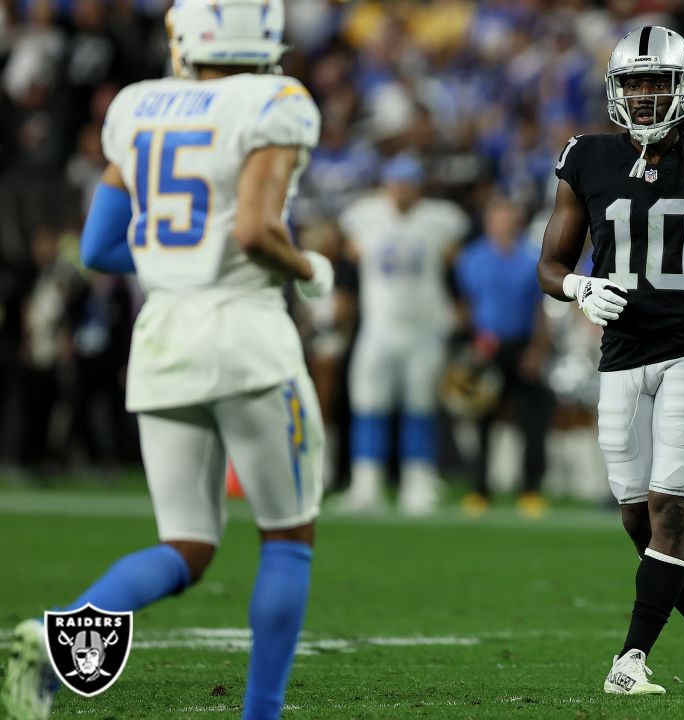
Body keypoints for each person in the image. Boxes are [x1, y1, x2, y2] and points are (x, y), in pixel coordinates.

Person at [2, 3, 329, 720]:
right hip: (245, 331)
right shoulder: (275, 100)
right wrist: (308, 268)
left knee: (184, 544)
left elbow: (96, 249)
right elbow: (253, 228)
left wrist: (172, 267)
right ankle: (261, 714)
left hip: (161, 338)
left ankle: (53, 646)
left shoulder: (138, 104)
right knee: (287, 538)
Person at [537, 27, 684, 695]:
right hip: (620, 357)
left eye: (658, 81)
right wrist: (580, 286)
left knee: (673, 509)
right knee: (637, 517)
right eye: (633, 82)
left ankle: (630, 659)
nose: (645, 96)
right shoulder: (585, 158)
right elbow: (550, 265)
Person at [338, 154, 469, 516]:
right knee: (368, 404)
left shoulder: (439, 218)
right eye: (397, 182)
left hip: (424, 328)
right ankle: (366, 484)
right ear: (386, 184)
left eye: (409, 182)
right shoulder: (365, 215)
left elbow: (454, 258)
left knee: (420, 406)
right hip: (378, 328)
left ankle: (419, 483)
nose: (402, 190)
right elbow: (349, 252)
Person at [456, 198, 554, 518]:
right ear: (488, 222)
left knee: (532, 420)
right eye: (498, 218)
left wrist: (537, 350)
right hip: (486, 347)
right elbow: (466, 305)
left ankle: (530, 490)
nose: (504, 224)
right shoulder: (472, 258)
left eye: (509, 218)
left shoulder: (530, 258)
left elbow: (541, 310)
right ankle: (480, 489)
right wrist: (471, 341)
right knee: (481, 420)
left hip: (521, 345)